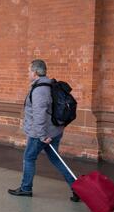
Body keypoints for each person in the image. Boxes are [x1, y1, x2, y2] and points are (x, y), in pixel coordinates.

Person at [8, 59, 80, 202]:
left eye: (29, 71)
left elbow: (39, 114)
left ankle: (26, 188)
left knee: (29, 158)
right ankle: (76, 187)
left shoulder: (40, 90)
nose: (28, 73)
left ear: (35, 72)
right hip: (54, 130)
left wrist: (42, 136)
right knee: (55, 158)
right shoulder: (48, 84)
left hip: (41, 132)